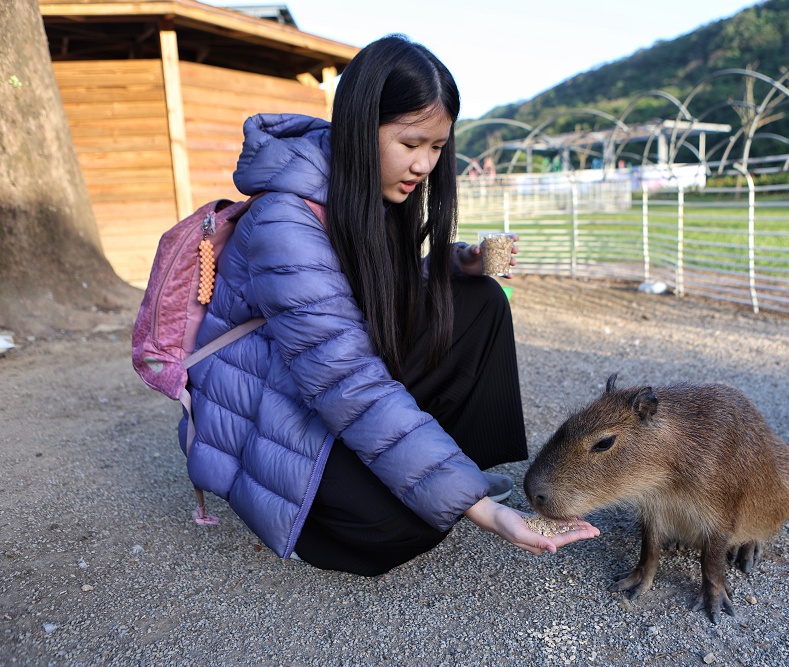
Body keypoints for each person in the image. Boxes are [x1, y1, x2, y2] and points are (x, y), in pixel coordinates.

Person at [181, 34, 599, 576]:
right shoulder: (284, 221)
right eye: (411, 143)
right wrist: (488, 514)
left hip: (318, 377)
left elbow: (372, 292)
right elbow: (346, 378)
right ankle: (433, 484)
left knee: (480, 298)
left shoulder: (373, 190)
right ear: (360, 126)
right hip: (270, 405)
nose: (424, 164)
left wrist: (452, 265)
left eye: (438, 147)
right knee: (399, 528)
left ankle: (448, 468)